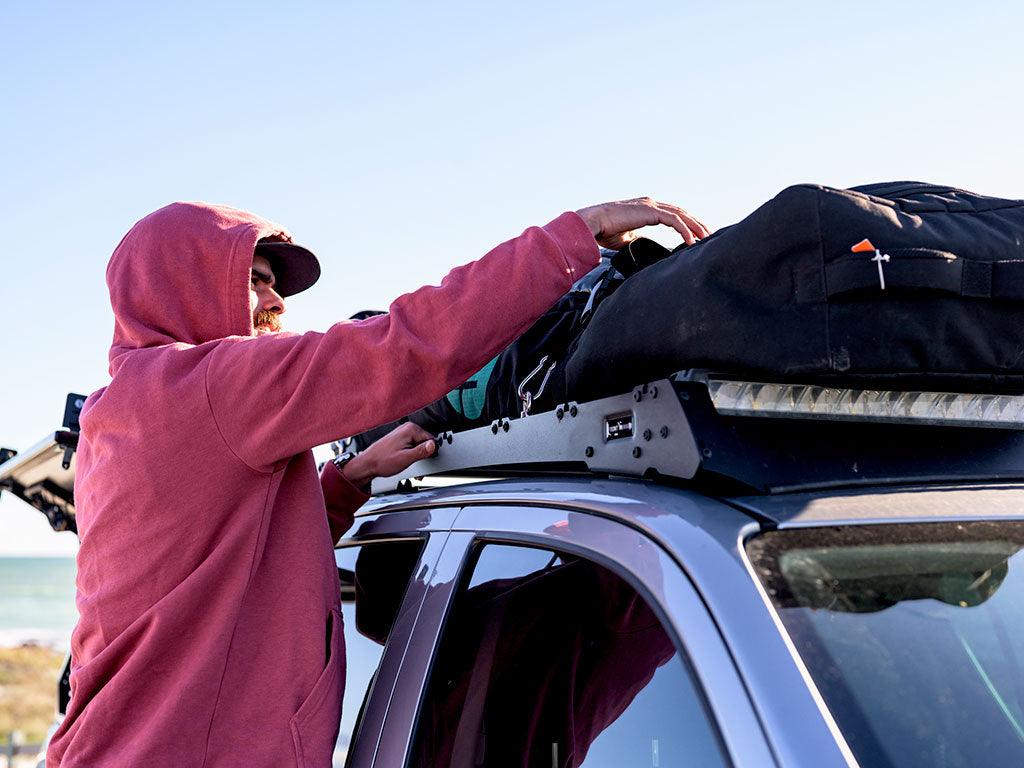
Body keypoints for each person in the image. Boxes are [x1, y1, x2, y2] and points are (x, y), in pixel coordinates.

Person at [47, 197, 707, 767]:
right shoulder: (207, 389)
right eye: (253, 280)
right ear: (179, 286)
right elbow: (406, 347)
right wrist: (574, 235)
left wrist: (347, 481)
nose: (275, 301)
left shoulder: (127, 410)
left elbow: (221, 557)